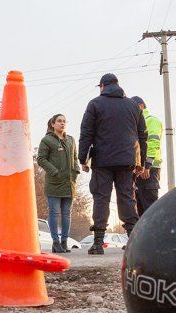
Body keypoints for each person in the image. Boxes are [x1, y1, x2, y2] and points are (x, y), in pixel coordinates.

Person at [79, 73, 147, 255]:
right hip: (127, 160)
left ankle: (98, 244)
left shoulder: (95, 104)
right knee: (127, 197)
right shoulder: (133, 106)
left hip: (102, 160)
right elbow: (143, 135)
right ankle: (133, 242)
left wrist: (82, 158)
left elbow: (86, 132)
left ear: (102, 86)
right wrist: (141, 162)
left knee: (101, 198)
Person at [36, 114, 79, 253]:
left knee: (66, 214)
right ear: (53, 124)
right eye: (59, 121)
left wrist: (76, 171)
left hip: (69, 183)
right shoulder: (47, 140)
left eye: (64, 121)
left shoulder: (71, 140)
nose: (62, 123)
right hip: (54, 183)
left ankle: (64, 242)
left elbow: (75, 158)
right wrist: (54, 171)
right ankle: (55, 242)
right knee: (54, 213)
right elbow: (41, 159)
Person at [130, 96, 163, 217]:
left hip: (149, 169)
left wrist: (147, 165)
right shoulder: (136, 124)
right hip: (139, 170)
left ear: (141, 106)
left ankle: (157, 230)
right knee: (140, 211)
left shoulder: (151, 121)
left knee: (151, 210)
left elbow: (153, 143)